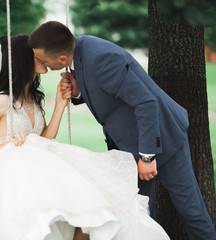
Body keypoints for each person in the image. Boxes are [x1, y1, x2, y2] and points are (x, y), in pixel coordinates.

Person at [0, 34, 170, 240]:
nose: (43, 58)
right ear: (25, 59)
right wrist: (4, 147)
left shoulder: (33, 98)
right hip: (17, 176)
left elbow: (43, 139)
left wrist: (60, 106)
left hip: (40, 169)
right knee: (43, 226)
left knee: (91, 212)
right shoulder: (0, 101)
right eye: (37, 55)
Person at [28, 21, 216, 240]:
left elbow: (146, 102)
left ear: (61, 58)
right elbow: (106, 92)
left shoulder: (100, 59)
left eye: (43, 60)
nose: (42, 64)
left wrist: (147, 156)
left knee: (190, 210)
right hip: (128, 149)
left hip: (163, 139)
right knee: (137, 214)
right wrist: (78, 91)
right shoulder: (80, 52)